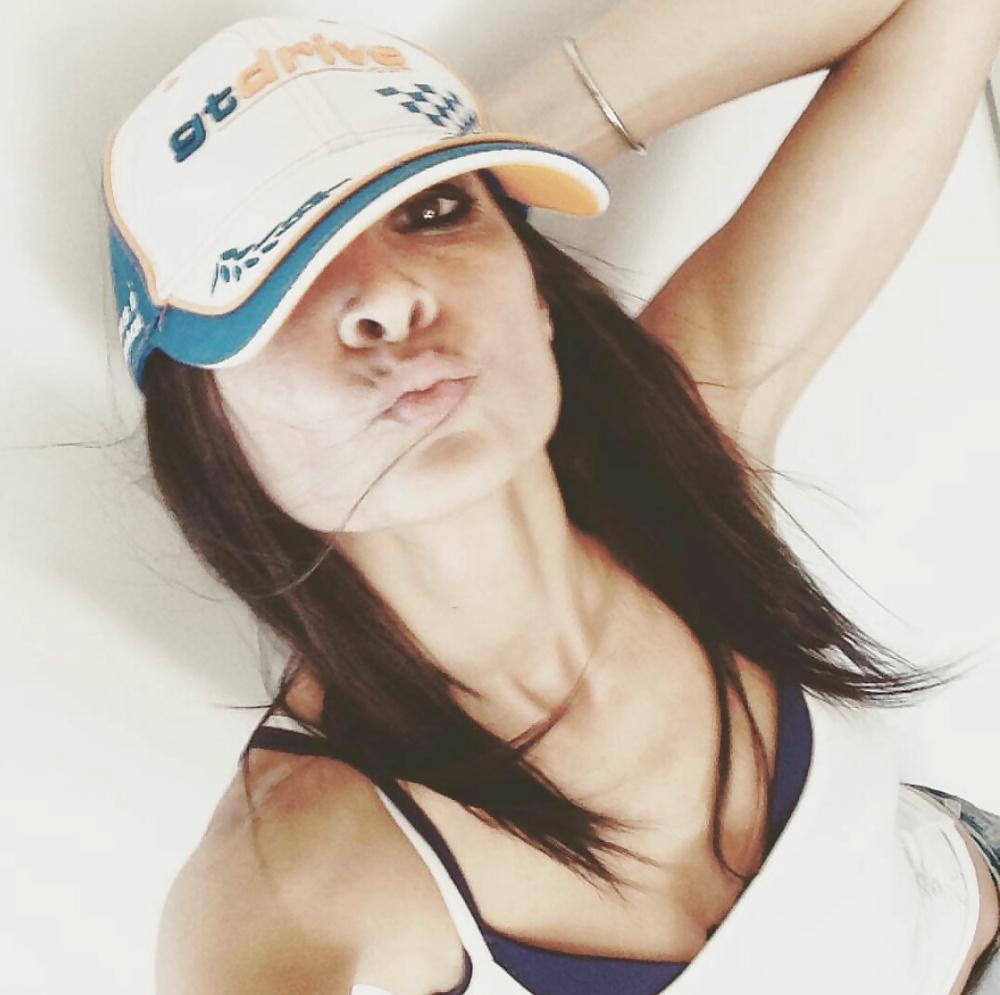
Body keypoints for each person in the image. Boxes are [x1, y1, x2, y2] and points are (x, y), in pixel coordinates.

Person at [98, 8, 1000, 995]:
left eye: (431, 214)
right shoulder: (302, 881)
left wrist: (496, 155)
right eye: (276, 272)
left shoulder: (681, 463)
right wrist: (450, 186)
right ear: (207, 429)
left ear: (536, 293)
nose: (388, 296)